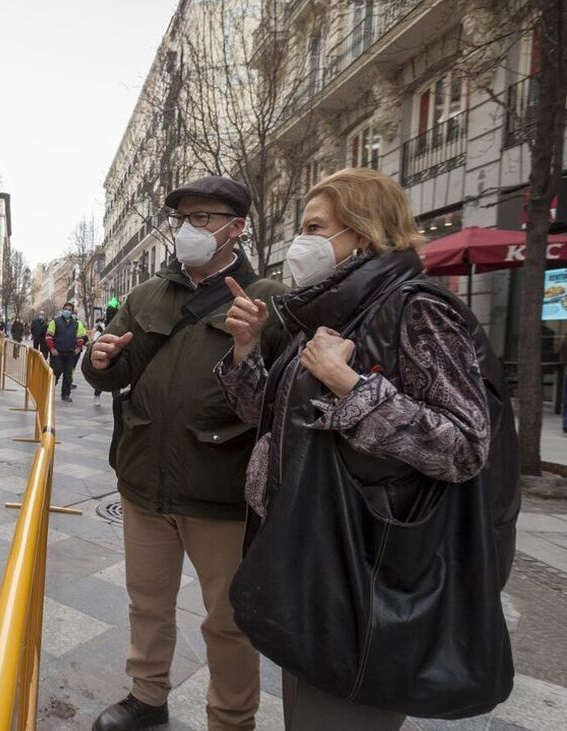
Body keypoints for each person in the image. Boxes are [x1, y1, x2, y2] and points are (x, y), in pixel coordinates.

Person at [215, 168, 506, 729]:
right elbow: (266, 419)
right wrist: (245, 349)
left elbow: (465, 446)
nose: (301, 241)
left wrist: (350, 385)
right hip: (307, 559)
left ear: (364, 233)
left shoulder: (417, 310)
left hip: (363, 572)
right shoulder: (324, 316)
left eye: (315, 226)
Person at [83, 175, 289, 731]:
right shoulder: (151, 294)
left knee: (228, 621)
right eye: (182, 219)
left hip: (220, 489)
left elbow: (281, 400)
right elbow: (111, 371)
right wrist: (98, 359)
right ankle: (147, 698)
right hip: (144, 478)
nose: (188, 230)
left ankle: (231, 720)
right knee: (147, 602)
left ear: (236, 227)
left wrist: (253, 351)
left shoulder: (266, 299)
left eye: (203, 218)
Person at [46, 302, 88, 402]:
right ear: (62, 310)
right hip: (57, 353)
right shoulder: (55, 322)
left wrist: (78, 348)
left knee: (68, 375)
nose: (67, 311)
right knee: (56, 372)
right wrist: (52, 349)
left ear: (72, 311)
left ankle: (65, 394)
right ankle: (48, 391)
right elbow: (48, 336)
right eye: (66, 309)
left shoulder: (76, 324)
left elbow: (80, 338)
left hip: (70, 353)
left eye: (69, 310)